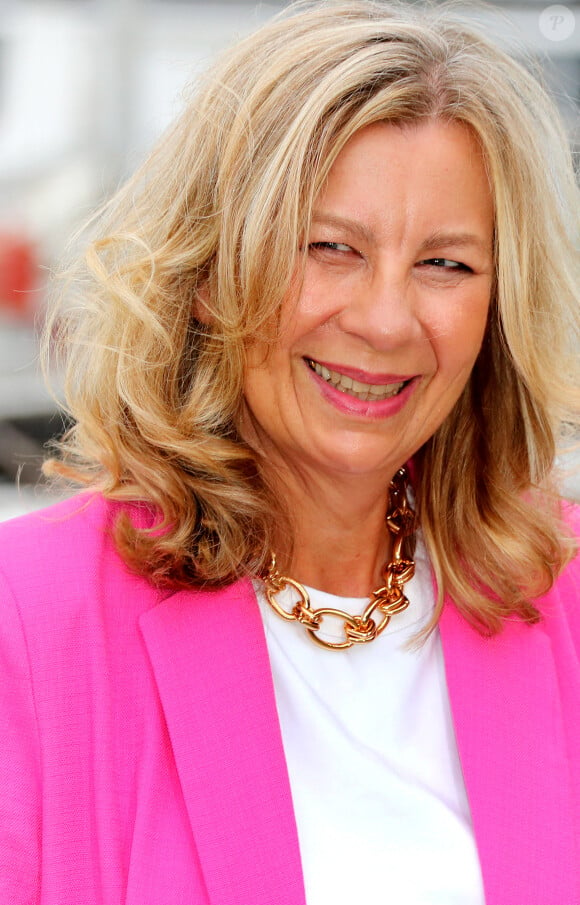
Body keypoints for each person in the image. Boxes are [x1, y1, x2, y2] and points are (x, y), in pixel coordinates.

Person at [1, 1, 579, 902]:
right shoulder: (27, 620)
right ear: (206, 273)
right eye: (329, 247)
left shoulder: (563, 587)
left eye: (446, 265)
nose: (385, 319)